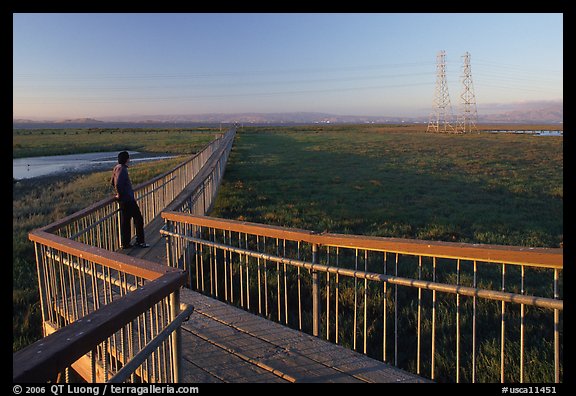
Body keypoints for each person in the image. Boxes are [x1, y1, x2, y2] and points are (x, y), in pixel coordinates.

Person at [110, 151, 149, 249]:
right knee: (138, 219)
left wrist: (118, 193)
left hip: (124, 200)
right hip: (127, 199)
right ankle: (140, 241)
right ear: (126, 159)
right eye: (128, 158)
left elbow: (112, 182)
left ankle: (125, 243)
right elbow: (118, 184)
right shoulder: (122, 169)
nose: (129, 160)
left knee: (126, 221)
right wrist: (120, 193)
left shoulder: (116, 167)